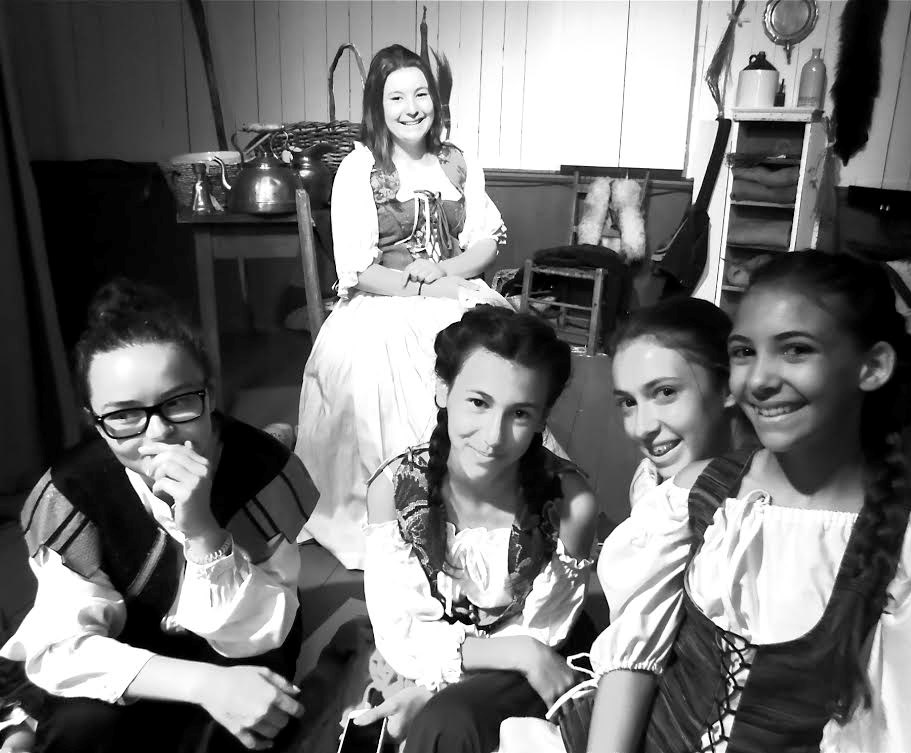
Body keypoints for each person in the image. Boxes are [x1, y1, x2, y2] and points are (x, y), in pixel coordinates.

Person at [562, 251, 911, 753]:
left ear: (872, 366)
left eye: (796, 350)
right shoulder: (700, 495)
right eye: (744, 352)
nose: (759, 379)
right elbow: (632, 661)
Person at [0, 279, 318, 753]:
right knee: (79, 728)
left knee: (244, 726)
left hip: (239, 644)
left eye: (179, 402)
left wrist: (202, 529)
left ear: (210, 395)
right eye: (124, 415)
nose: (159, 432)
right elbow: (65, 645)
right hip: (134, 659)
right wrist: (201, 684)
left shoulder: (260, 471)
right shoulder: (73, 490)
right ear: (95, 422)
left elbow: (260, 632)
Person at [497, 296, 746, 753]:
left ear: (728, 384)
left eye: (666, 393)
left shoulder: (709, 497)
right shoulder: (656, 483)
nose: (642, 427)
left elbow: (636, 655)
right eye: (629, 403)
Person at [295, 43, 508, 568]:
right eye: (396, 97)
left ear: (435, 99)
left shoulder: (456, 161)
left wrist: (449, 271)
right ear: (378, 105)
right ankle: (403, 512)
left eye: (420, 94)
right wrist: (431, 289)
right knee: (389, 370)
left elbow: (486, 240)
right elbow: (359, 271)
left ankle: (481, 503)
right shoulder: (361, 168)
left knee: (500, 356)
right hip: (385, 300)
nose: (411, 108)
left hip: (455, 287)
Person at [355, 306, 598, 753]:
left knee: (450, 725)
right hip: (448, 658)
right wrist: (514, 653)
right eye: (478, 403)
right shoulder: (394, 490)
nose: (493, 436)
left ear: (542, 418)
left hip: (534, 663)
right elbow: (402, 631)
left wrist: (440, 692)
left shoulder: (570, 506)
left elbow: (543, 634)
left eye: (519, 413)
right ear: (443, 390)